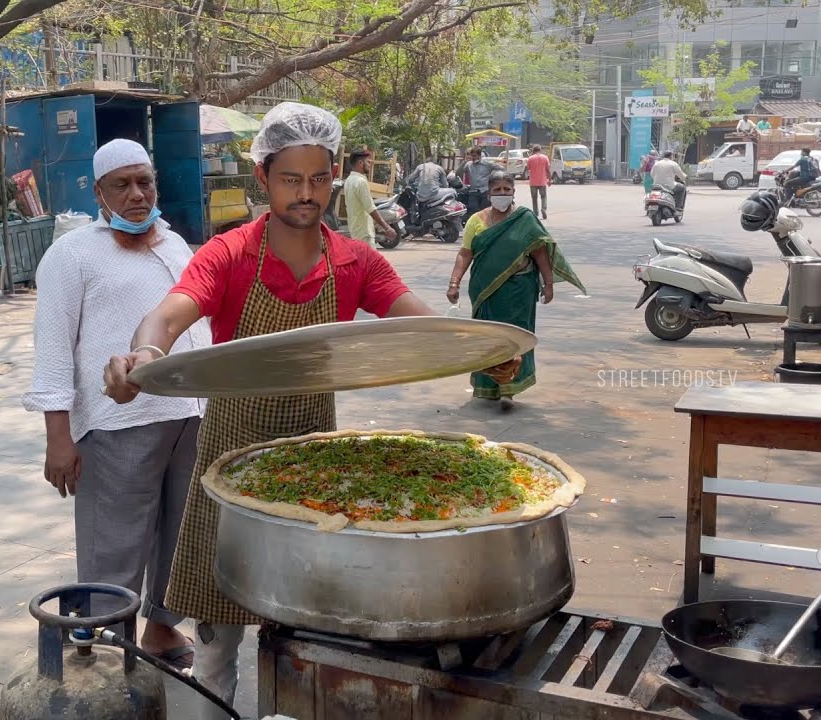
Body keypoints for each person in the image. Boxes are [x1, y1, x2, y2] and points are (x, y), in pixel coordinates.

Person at [101, 102, 518, 719]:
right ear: (263, 179)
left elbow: (423, 326)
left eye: (319, 178)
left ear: (333, 176)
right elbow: (170, 312)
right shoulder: (230, 254)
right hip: (229, 469)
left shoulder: (355, 261)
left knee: (308, 638)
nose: (307, 193)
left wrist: (485, 352)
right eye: (291, 179)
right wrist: (142, 353)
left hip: (317, 466)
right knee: (217, 650)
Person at [23, 138, 209, 670]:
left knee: (180, 533)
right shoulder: (72, 255)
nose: (136, 194)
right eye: (121, 185)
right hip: (114, 422)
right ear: (100, 193)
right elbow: (54, 350)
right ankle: (96, 632)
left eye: (144, 181)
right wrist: (58, 436)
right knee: (115, 537)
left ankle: (158, 631)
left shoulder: (176, 246)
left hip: (187, 417)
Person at [446, 171, 585, 411]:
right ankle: (489, 386)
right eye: (497, 190)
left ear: (513, 192)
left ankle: (509, 389)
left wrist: (548, 283)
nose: (502, 194)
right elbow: (465, 254)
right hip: (485, 291)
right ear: (488, 193)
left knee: (515, 338)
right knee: (488, 337)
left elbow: (540, 252)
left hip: (519, 291)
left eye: (506, 189)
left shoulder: (524, 219)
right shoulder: (476, 221)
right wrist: (454, 283)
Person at [342, 149, 396, 246]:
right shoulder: (360, 182)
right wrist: (387, 227)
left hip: (355, 229)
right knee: (369, 260)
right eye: (368, 162)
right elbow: (370, 208)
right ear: (360, 163)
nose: (370, 165)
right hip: (364, 232)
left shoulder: (349, 180)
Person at [461, 146, 497, 212]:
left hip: (484, 191)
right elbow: (460, 172)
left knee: (485, 211)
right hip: (473, 192)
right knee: (473, 211)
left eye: (474, 156)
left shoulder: (487, 164)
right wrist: (464, 161)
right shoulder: (468, 165)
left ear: (479, 155)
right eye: (472, 156)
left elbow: (500, 168)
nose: (473, 158)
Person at [526, 145, 550, 220]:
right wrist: (549, 179)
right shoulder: (545, 157)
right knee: (543, 197)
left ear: (533, 150)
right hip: (542, 181)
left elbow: (528, 168)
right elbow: (548, 170)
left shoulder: (530, 158)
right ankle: (543, 209)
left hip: (533, 182)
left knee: (534, 198)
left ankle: (535, 213)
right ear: (540, 150)